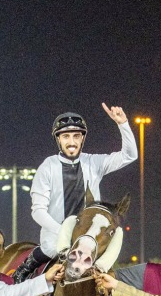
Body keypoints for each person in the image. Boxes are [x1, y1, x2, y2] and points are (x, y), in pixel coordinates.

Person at [11, 104, 137, 282]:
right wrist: (64, 231)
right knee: (47, 251)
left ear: (82, 139)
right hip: (56, 239)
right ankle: (21, 274)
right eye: (66, 136)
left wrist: (123, 124)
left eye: (76, 136)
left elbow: (130, 156)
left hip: (90, 238)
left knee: (116, 238)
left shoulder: (94, 162)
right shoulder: (47, 167)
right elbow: (37, 211)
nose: (71, 142)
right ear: (58, 140)